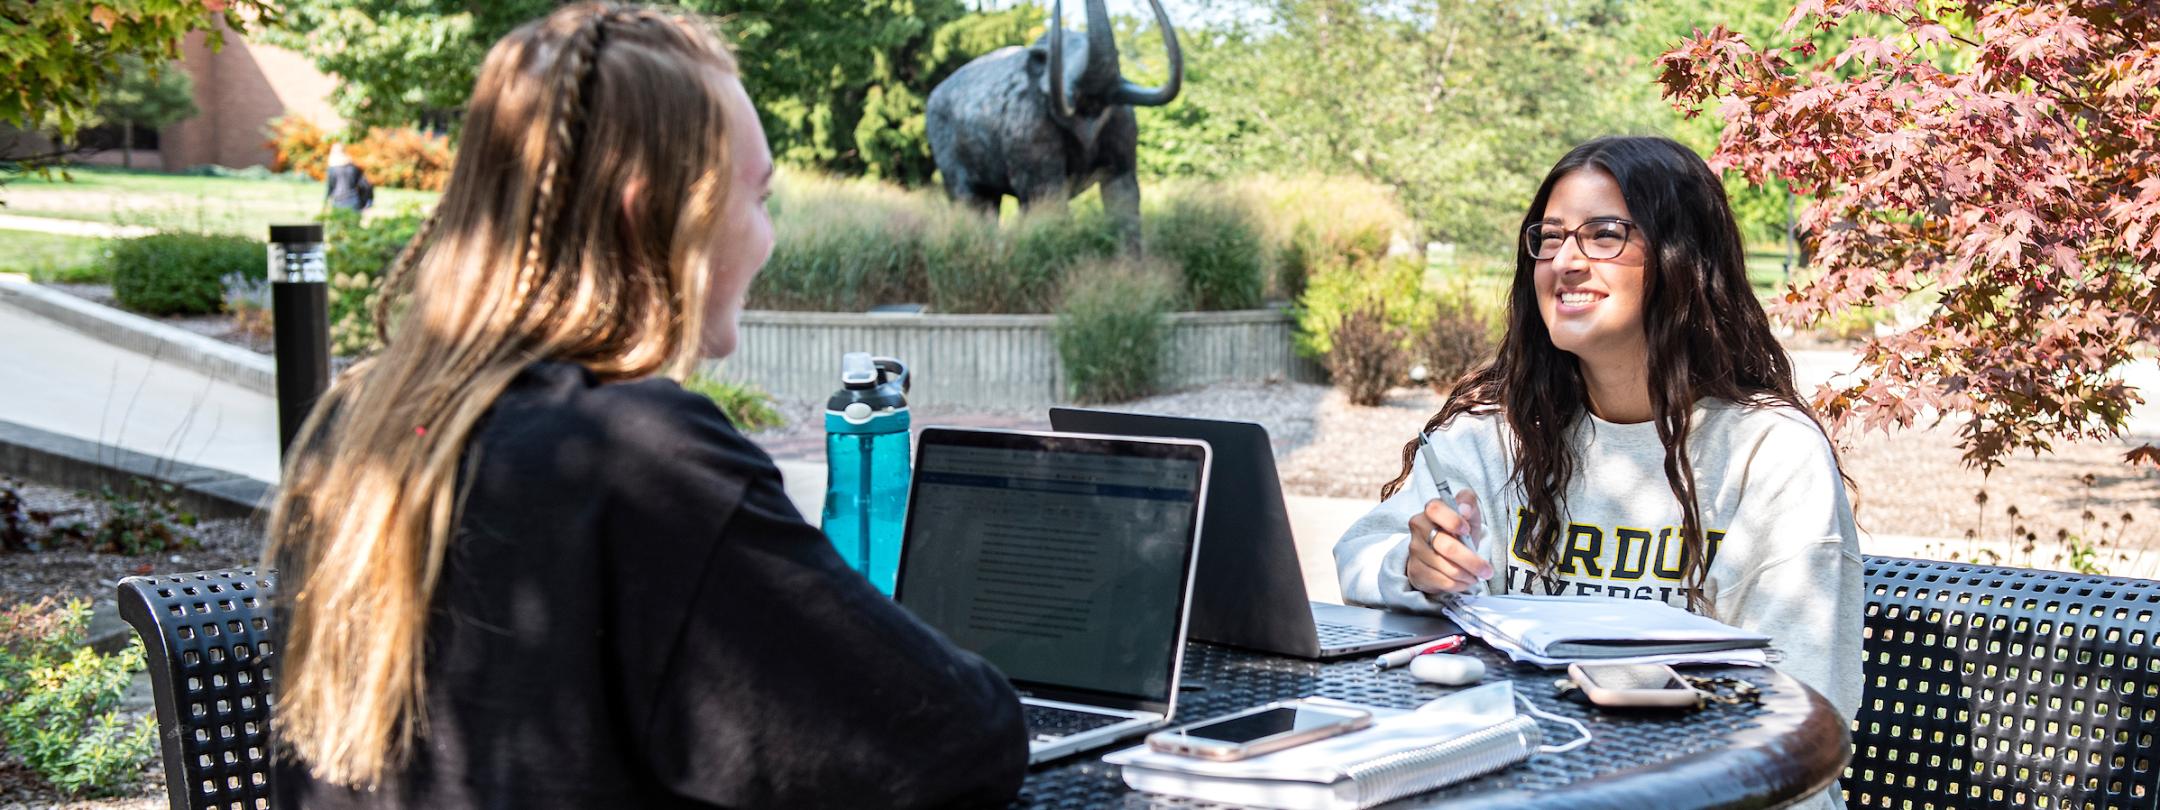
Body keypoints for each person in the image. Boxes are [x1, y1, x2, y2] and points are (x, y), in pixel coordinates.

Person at [263, 5, 1027, 808]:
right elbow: (953, 744)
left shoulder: (363, 424)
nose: (766, 237)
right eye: (758, 197)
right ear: (648, 209)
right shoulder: (635, 456)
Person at [1333, 136, 1860, 808]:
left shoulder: (1768, 455)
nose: (1567, 261)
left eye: (1604, 234)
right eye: (1549, 238)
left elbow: (1805, 702)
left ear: (1683, 258)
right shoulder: (1496, 432)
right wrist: (1413, 565)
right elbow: (1356, 556)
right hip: (1536, 782)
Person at [323, 143, 373, 212]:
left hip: (337, 203)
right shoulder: (354, 168)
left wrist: (325, 204)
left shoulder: (332, 169)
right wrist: (368, 201)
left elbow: (330, 188)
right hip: (353, 201)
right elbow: (365, 185)